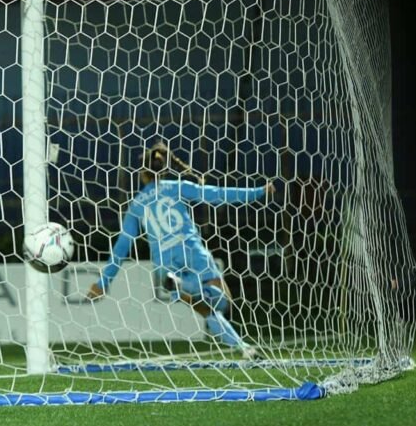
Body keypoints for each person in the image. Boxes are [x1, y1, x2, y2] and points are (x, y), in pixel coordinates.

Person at [87, 142, 275, 358]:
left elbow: (122, 247)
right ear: (164, 168)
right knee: (223, 303)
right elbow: (216, 194)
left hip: (164, 265)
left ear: (143, 172)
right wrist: (258, 192)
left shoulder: (136, 205)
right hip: (194, 254)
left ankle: (185, 287)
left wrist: (102, 283)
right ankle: (244, 349)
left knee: (207, 310)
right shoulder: (177, 186)